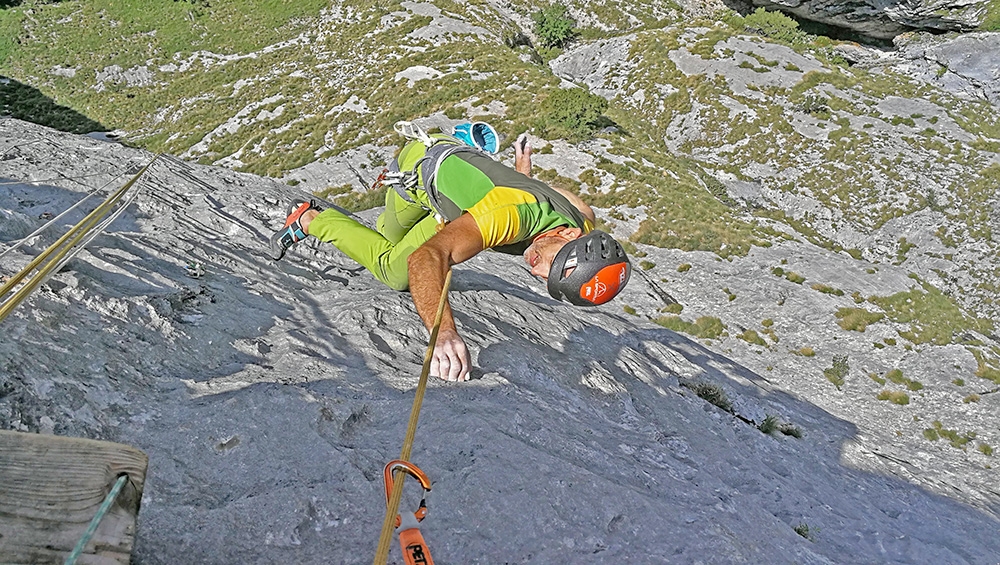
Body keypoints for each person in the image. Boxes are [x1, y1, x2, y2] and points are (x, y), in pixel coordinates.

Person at [270, 121, 631, 382]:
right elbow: (426, 259)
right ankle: (312, 219)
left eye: (550, 278)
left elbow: (562, 197)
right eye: (554, 263)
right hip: (420, 170)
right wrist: (443, 333)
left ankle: (325, 222)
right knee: (393, 243)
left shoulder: (582, 221)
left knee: (396, 271)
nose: (538, 271)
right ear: (568, 234)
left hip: (453, 210)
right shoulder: (509, 216)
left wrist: (523, 173)